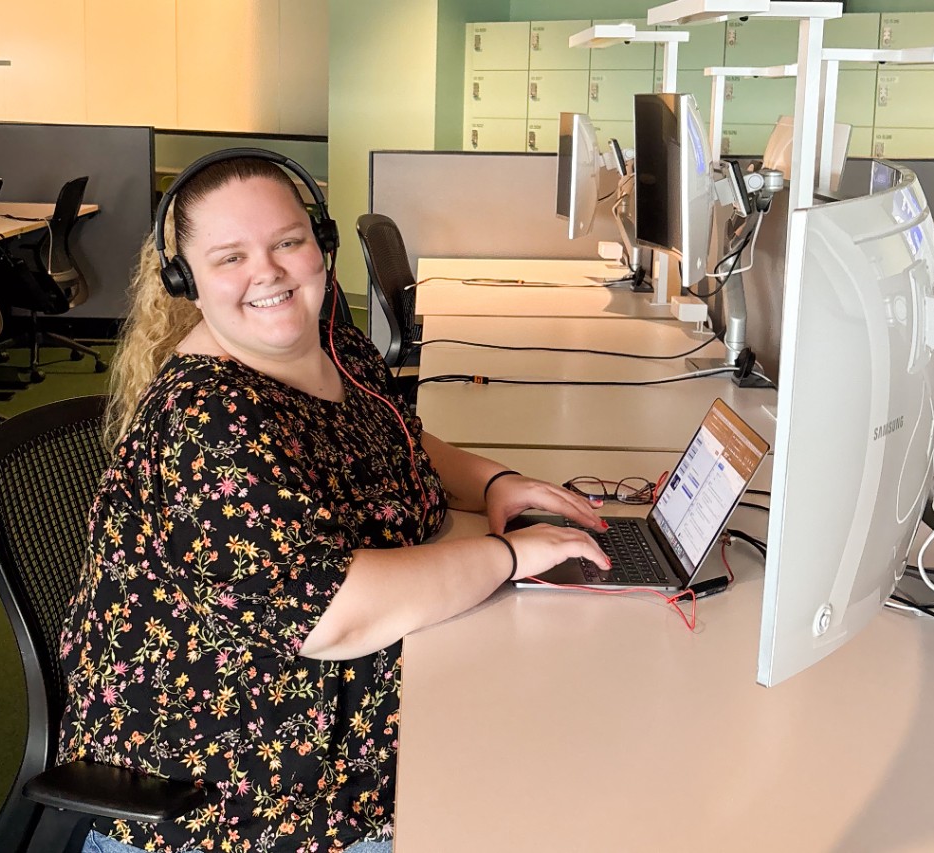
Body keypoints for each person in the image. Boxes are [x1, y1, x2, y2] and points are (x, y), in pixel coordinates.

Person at [57, 151, 611, 853]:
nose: (269, 272)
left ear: (320, 245)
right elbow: (330, 617)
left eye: (287, 242)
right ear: (185, 281)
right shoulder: (209, 420)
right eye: (230, 257)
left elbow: (392, 433)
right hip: (239, 797)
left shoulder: (324, 335)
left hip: (340, 720)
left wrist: (497, 483)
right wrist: (508, 555)